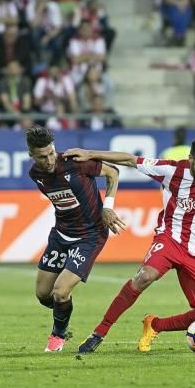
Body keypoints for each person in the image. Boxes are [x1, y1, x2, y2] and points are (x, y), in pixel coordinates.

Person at [65, 136, 195, 354]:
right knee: (145, 276)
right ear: (191, 159)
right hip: (169, 240)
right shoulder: (171, 170)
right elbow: (129, 159)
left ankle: (155, 325)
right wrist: (90, 154)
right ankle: (99, 332)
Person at [26, 127, 125, 353]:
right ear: (31, 155)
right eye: (42, 156)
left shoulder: (75, 162)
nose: (49, 159)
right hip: (61, 234)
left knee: (61, 291)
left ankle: (58, 335)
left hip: (90, 235)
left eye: (51, 153)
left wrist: (107, 207)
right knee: (43, 295)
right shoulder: (36, 174)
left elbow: (113, 173)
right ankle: (64, 308)